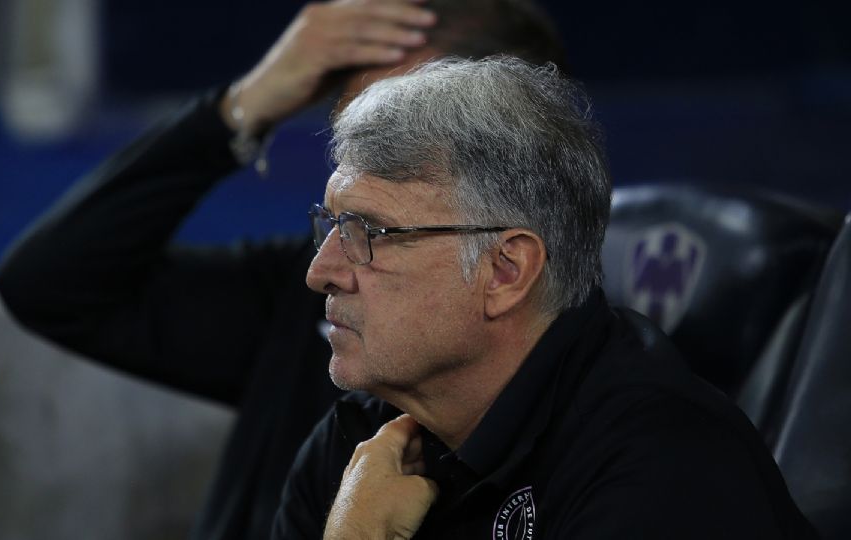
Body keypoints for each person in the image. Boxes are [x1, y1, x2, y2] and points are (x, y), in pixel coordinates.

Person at [0, 1, 565, 539]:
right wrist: (241, 108)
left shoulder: (588, 412)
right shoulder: (305, 290)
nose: (328, 270)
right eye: (349, 131)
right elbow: (50, 284)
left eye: (396, 135)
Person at [272, 56, 818, 539]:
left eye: (370, 233)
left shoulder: (665, 466)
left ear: (506, 271)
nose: (322, 272)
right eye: (331, 228)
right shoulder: (361, 442)